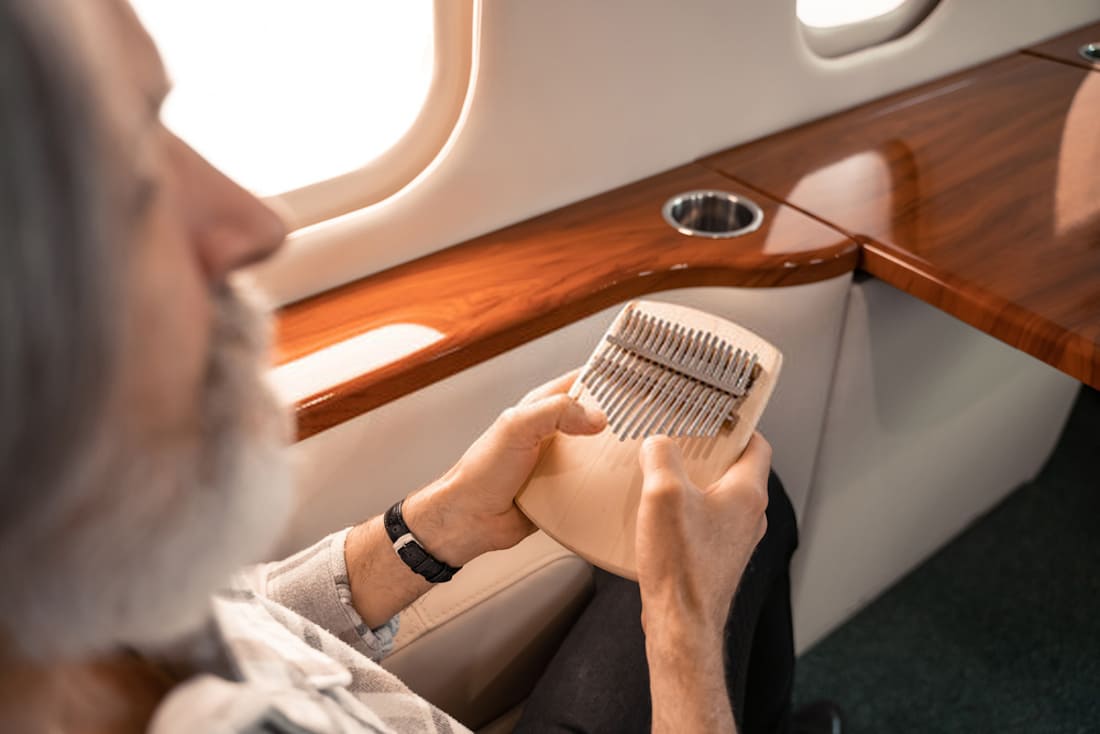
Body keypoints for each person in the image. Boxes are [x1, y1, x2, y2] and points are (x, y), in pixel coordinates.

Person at [0, 1, 842, 732]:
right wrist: (685, 636)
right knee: (740, 523)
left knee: (742, 500)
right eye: (135, 183)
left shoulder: (75, 578)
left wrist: (434, 528)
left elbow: (253, 617)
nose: (257, 222)